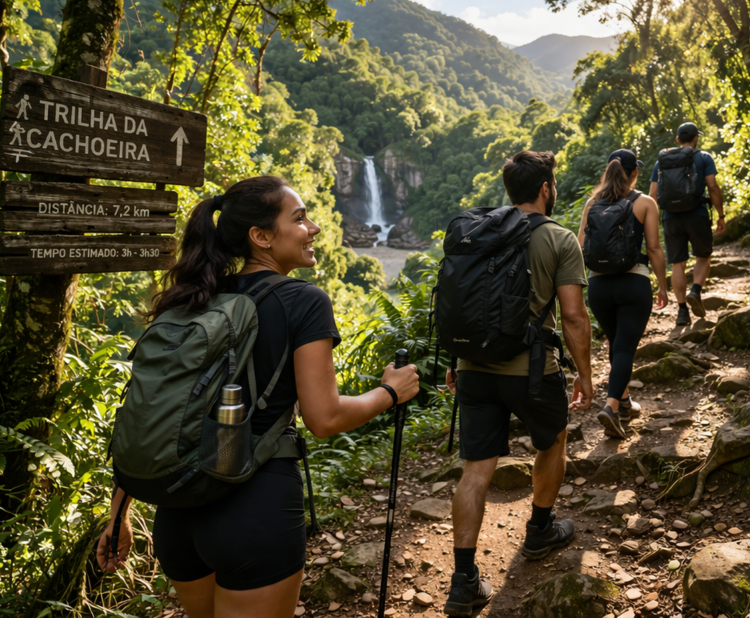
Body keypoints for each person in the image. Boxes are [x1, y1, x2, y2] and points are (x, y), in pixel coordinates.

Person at [95, 176, 420, 618]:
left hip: (177, 512)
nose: (315, 228)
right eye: (300, 218)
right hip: (254, 511)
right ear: (261, 236)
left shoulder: (196, 297)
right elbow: (323, 419)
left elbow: (152, 409)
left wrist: (118, 514)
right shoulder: (303, 301)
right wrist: (389, 392)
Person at [442, 151, 594, 617]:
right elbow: (572, 315)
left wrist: (457, 356)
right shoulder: (559, 238)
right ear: (546, 188)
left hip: (472, 367)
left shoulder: (480, 230)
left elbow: (462, 298)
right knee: (554, 441)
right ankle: (540, 530)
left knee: (476, 469)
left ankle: (464, 580)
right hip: (532, 371)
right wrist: (586, 375)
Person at [577, 150, 669, 439]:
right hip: (633, 284)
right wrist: (663, 285)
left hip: (599, 287)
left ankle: (625, 401)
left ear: (608, 171)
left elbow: (580, 247)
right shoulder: (645, 202)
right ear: (635, 173)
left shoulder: (592, 203)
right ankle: (611, 406)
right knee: (625, 347)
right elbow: (653, 248)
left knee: (616, 343)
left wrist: (579, 289)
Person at [648, 123, 726, 327]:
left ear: (677, 140)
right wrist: (721, 215)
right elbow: (713, 187)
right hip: (697, 214)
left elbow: (652, 196)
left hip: (670, 218)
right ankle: (696, 291)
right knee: (703, 257)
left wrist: (652, 224)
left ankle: (682, 312)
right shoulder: (703, 157)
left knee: (678, 264)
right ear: (695, 138)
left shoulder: (662, 162)